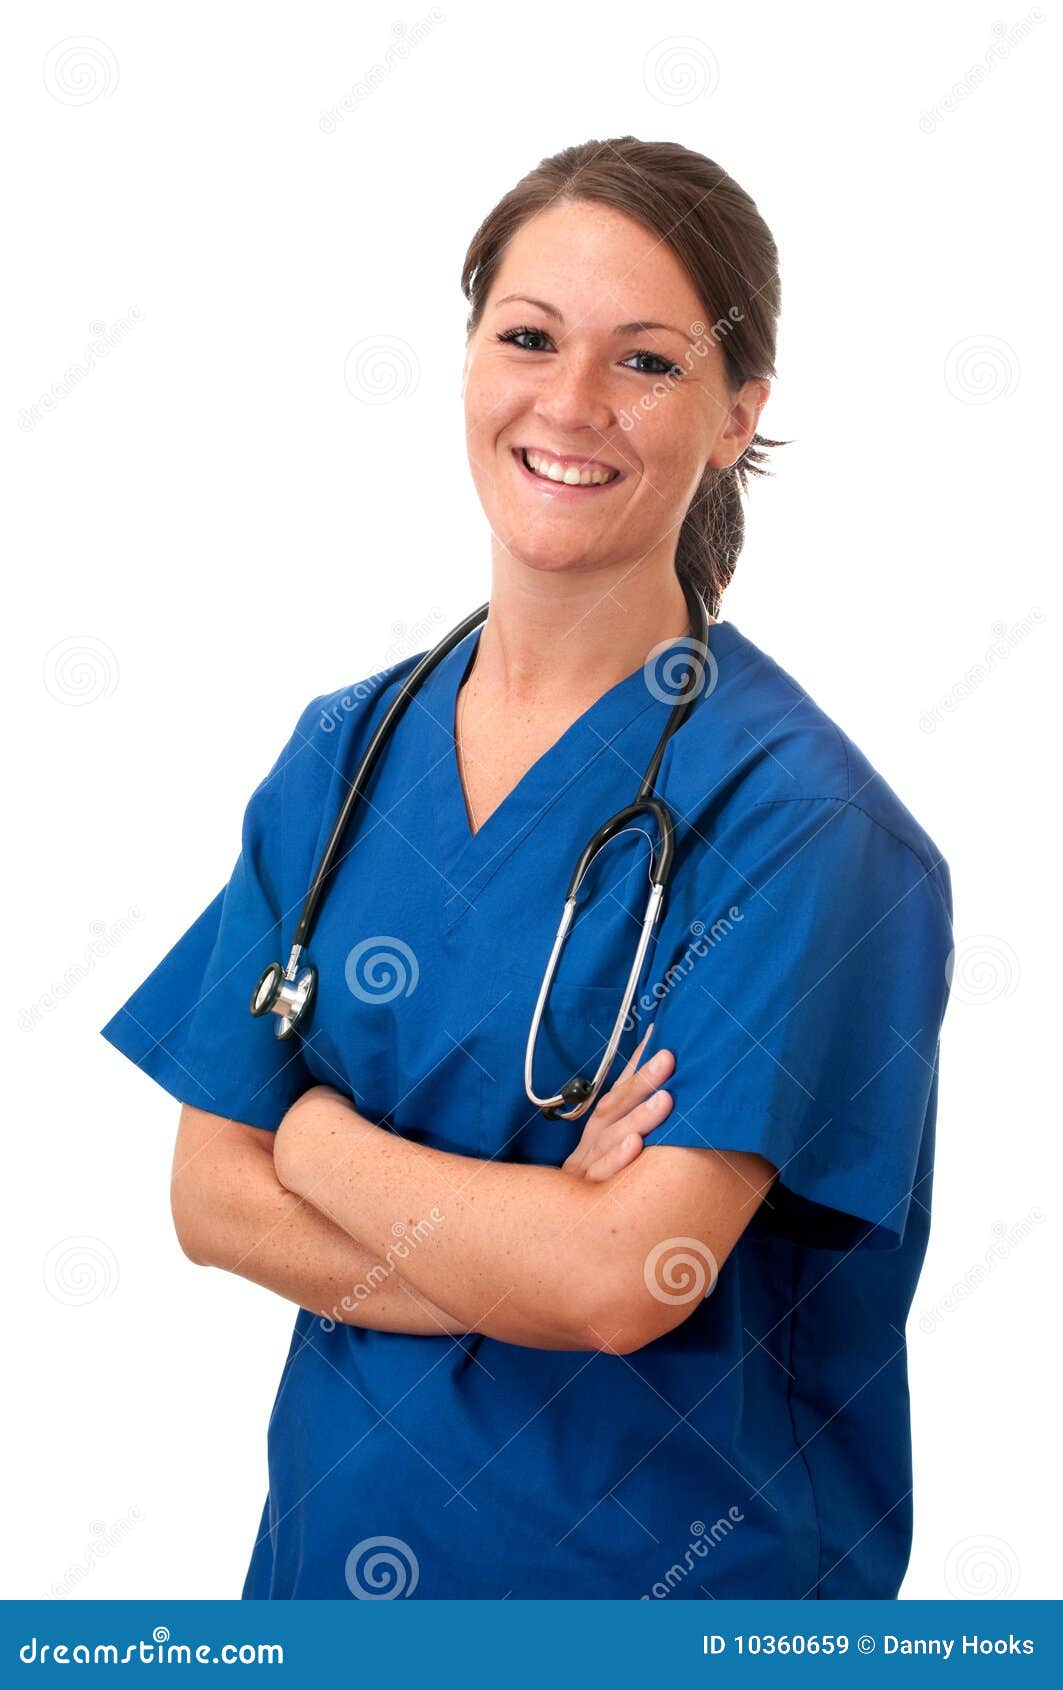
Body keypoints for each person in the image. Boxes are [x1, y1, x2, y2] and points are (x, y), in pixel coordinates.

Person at [100, 137, 953, 1600]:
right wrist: (526, 1241)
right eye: (530, 338)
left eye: (647, 362)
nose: (569, 404)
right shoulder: (347, 754)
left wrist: (310, 1138)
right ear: (470, 361)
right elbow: (204, 1194)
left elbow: (629, 1278)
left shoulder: (807, 829)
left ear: (739, 412)